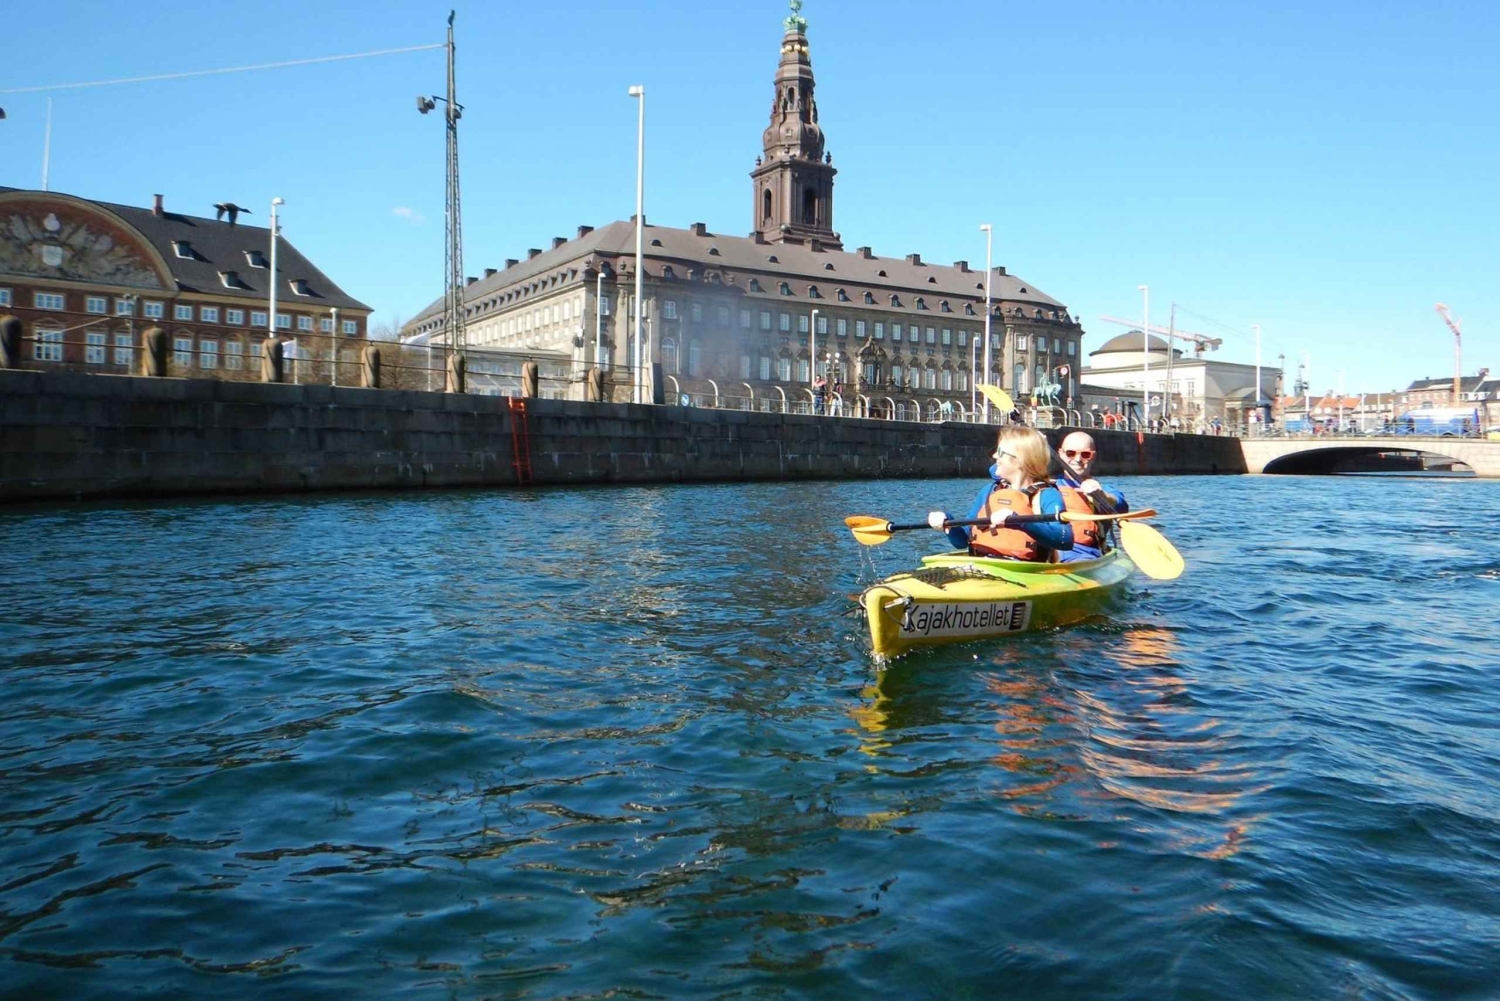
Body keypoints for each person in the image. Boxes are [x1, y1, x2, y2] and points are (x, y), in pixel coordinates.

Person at [926, 426, 1073, 561]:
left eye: (1001, 452)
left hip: (1029, 573)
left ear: (1020, 460)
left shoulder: (1047, 495)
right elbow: (962, 541)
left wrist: (1019, 522)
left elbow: (1065, 539)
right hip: (984, 568)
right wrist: (948, 523)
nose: (995, 456)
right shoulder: (989, 491)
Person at [1054, 431, 1128, 563]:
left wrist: (1100, 495)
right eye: (1070, 453)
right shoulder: (1047, 486)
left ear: (1093, 457)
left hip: (1086, 557)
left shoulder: (1105, 489)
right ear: (1060, 454)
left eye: (1085, 454)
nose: (1077, 459)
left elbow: (1121, 505)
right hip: (1050, 553)